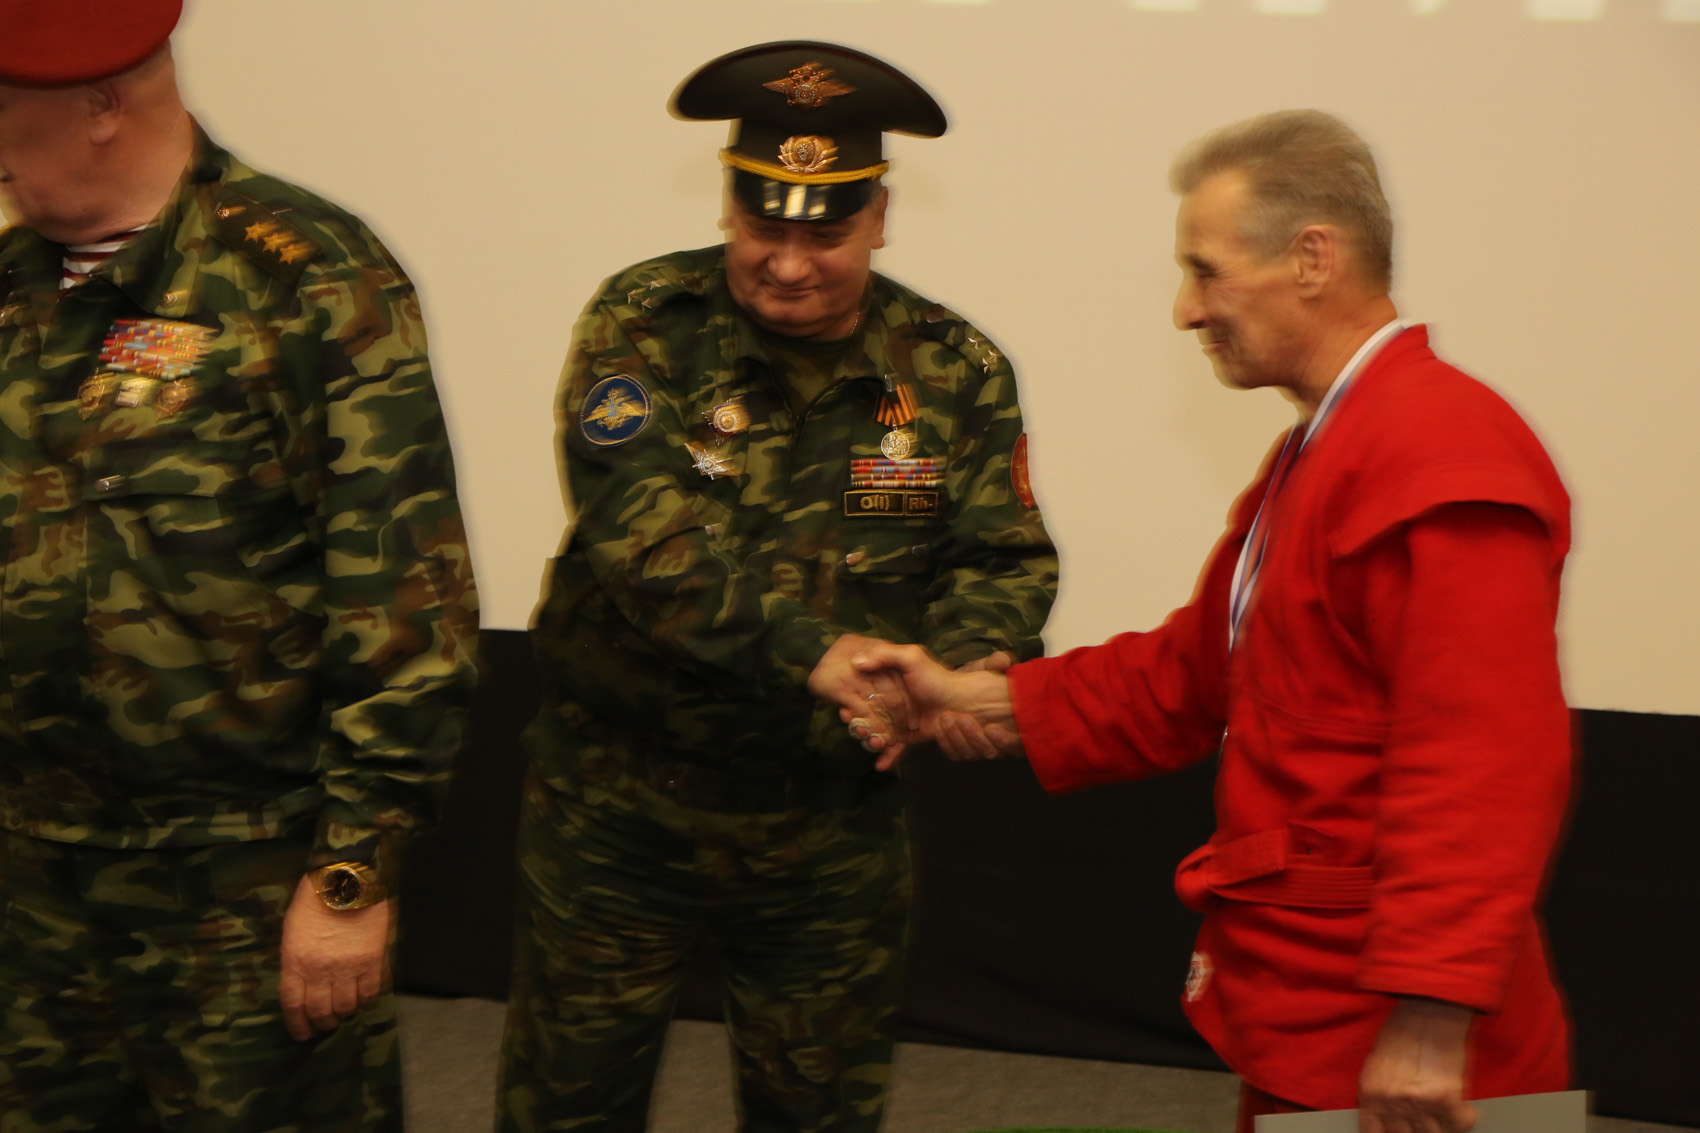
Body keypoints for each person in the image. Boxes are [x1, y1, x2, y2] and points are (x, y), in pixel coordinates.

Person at [842, 110, 1573, 1133]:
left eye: (1206, 271)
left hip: (1398, 1044)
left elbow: (1482, 759)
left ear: (1311, 258)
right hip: (1315, 1011)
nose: (1186, 310)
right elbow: (1195, 672)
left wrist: (1430, 1013)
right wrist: (974, 699)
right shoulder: (1330, 447)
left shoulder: (1439, 454)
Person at [496, 40, 1058, 1133]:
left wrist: (952, 668)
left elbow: (1002, 558)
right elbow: (642, 545)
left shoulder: (953, 367)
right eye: (764, 226)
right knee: (569, 1100)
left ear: (880, 218)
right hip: (619, 810)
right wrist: (818, 654)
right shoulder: (644, 323)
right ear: (727, 205)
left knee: (819, 1109)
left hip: (828, 824)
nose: (789, 264)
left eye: (825, 234)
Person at [0, 3, 479, 1128]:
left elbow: (407, 600)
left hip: (241, 881)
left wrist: (352, 876)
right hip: (33, 879)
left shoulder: (304, 276)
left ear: (101, 103)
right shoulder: (13, 285)